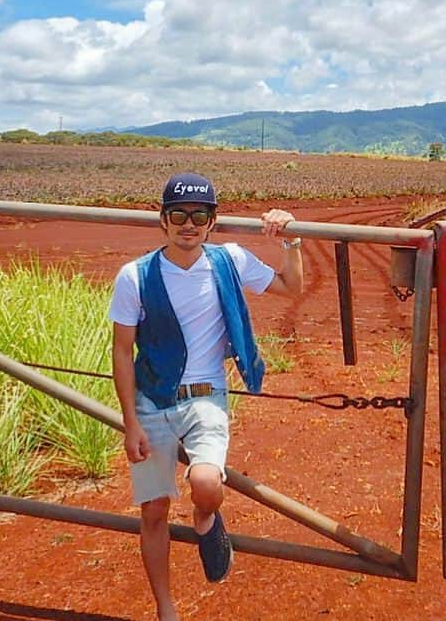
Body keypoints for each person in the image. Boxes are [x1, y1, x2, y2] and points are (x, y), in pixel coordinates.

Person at [108, 171, 304, 621]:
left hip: (206, 396)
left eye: (200, 214)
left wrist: (292, 241)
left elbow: (290, 288)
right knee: (154, 512)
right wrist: (131, 423)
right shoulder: (134, 276)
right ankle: (166, 608)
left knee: (206, 484)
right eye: (179, 214)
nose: (188, 223)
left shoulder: (229, 260)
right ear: (163, 219)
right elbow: (121, 351)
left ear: (213, 221)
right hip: (152, 400)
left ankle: (205, 521)